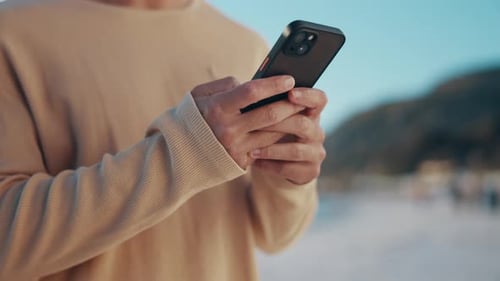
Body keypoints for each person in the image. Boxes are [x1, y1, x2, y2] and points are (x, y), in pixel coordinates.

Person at [0, 0, 328, 280]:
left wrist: (287, 180)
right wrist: (188, 152)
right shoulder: (12, 30)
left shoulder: (247, 45)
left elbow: (276, 237)